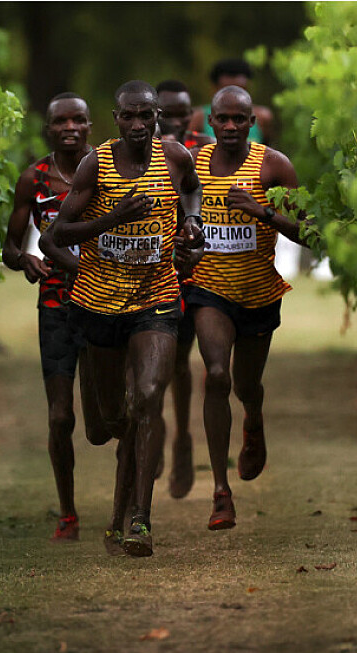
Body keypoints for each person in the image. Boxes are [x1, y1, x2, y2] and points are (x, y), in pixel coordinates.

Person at [42, 80, 203, 557]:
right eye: (128, 116)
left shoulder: (175, 157)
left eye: (146, 116)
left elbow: (191, 191)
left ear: (157, 117)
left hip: (156, 298)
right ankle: (120, 507)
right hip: (99, 305)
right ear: (116, 119)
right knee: (107, 423)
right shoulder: (97, 164)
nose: (137, 124)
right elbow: (57, 234)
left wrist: (191, 222)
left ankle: (140, 520)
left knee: (149, 396)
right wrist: (111, 220)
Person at [185, 85, 304, 531]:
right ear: (210, 121)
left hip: (258, 295)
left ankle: (253, 421)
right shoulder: (192, 164)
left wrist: (262, 211)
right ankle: (221, 491)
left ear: (252, 122)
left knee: (246, 385)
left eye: (240, 119)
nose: (232, 126)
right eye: (224, 119)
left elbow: (309, 232)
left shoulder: (273, 166)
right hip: (209, 291)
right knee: (217, 375)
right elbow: (176, 218)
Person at [1, 92, 95, 542]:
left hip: (105, 300)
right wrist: (25, 261)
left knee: (106, 419)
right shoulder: (33, 179)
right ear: (48, 129)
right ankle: (68, 512)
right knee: (60, 417)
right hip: (57, 304)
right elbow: (9, 247)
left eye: (78, 120)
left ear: (90, 126)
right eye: (61, 122)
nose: (70, 128)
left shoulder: (109, 169)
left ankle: (129, 508)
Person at [153, 79, 212, 499]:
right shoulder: (142, 150)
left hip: (193, 271)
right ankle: (153, 429)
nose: (176, 121)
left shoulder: (205, 149)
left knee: (178, 362)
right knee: (151, 363)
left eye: (183, 113)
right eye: (168, 113)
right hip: (150, 270)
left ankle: (183, 439)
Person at [188, 58, 275, 148]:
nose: (231, 126)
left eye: (240, 119)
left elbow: (268, 149)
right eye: (222, 119)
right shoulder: (198, 118)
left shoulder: (262, 117)